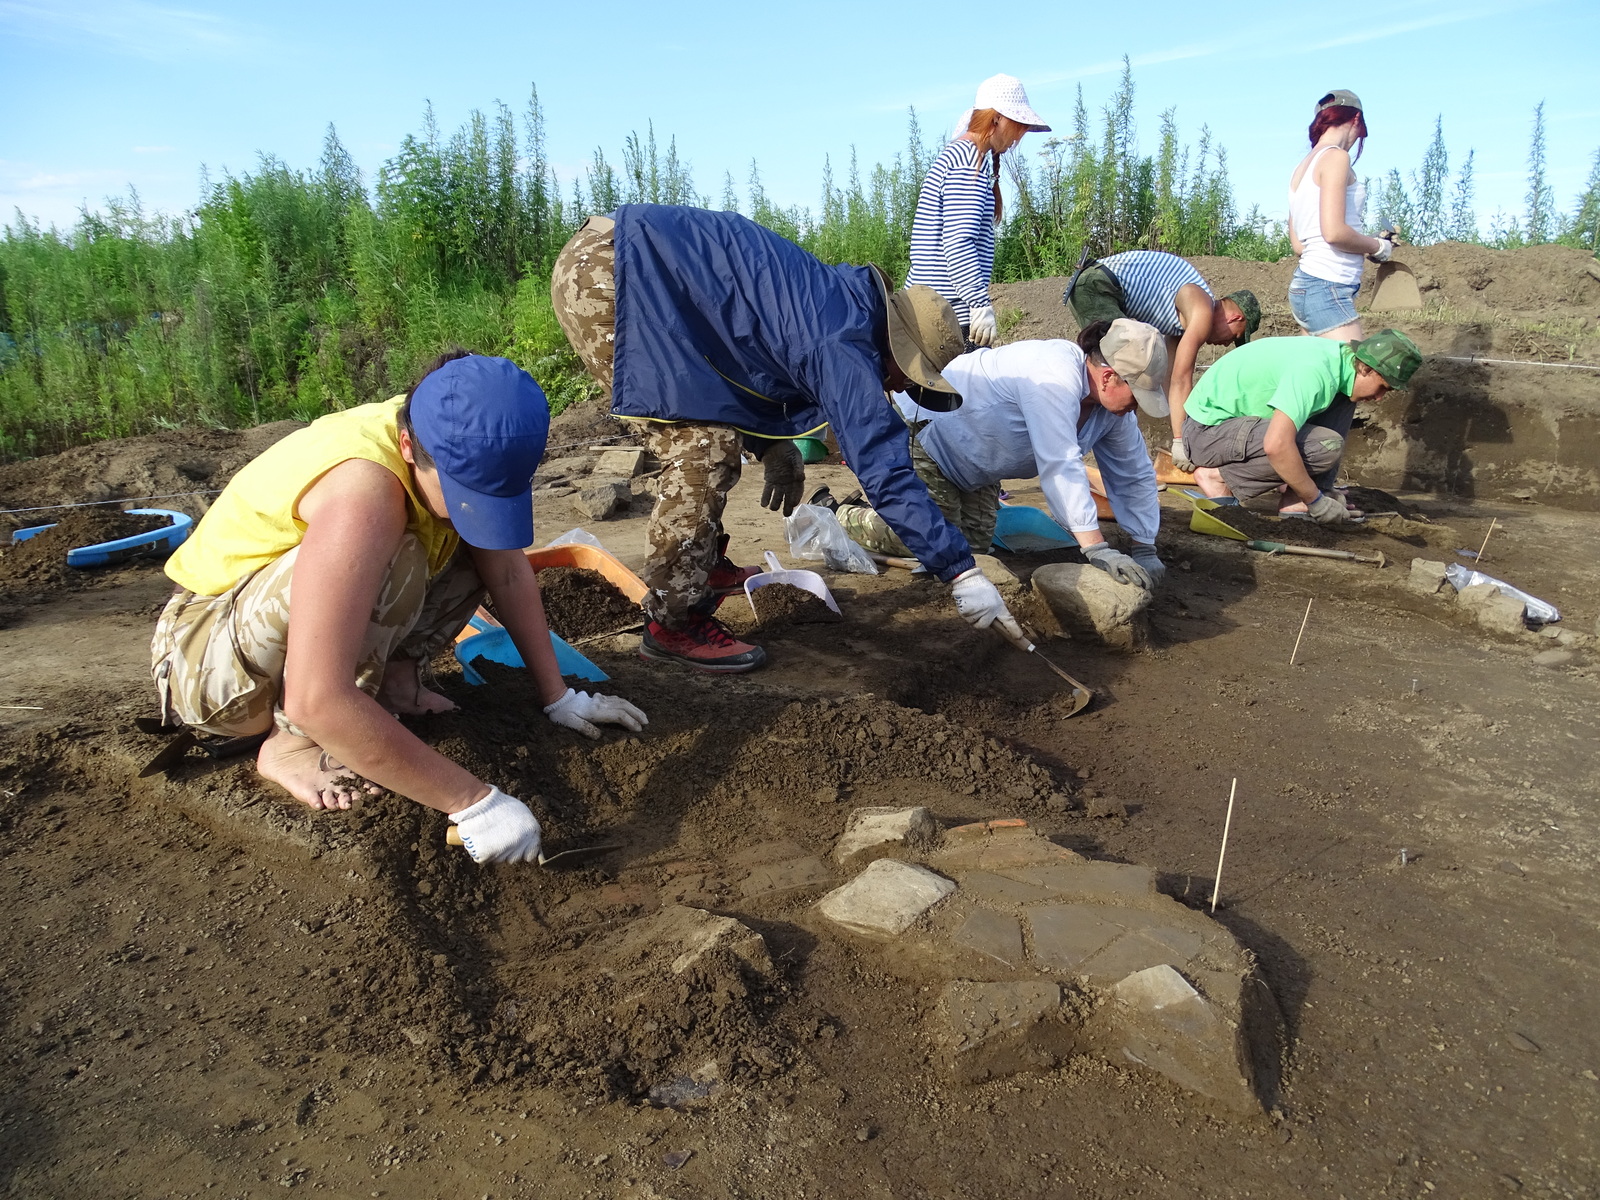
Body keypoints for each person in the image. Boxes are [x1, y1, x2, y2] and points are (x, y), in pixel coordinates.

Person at [149, 352, 649, 864]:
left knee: (465, 537)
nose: (466, 505)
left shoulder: (447, 424)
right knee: (399, 552)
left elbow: (505, 569)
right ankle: (290, 746)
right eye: (460, 491)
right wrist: (473, 803)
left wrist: (558, 697)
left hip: (279, 629)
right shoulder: (362, 492)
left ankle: (397, 683)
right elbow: (316, 698)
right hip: (207, 664)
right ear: (408, 446)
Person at [549, 204, 1025, 673]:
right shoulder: (841, 339)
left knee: (710, 432)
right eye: (910, 374)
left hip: (633, 261)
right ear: (896, 343)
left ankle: (703, 566)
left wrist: (772, 445)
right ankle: (674, 621)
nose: (901, 387)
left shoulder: (840, 305)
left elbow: (744, 355)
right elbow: (885, 473)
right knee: (703, 448)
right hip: (613, 274)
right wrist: (960, 570)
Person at [817, 319, 1171, 592]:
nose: (1137, 409)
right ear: (1109, 377)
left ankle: (893, 513)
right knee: (931, 540)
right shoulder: (1053, 373)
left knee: (969, 550)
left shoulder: (1113, 412)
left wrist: (1144, 546)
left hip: (977, 468)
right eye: (1137, 395)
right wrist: (1097, 549)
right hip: (927, 435)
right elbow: (1060, 463)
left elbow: (1133, 473)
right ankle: (836, 514)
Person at [1181, 329, 1423, 522]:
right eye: (1383, 387)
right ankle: (1219, 478)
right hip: (1208, 434)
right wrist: (1315, 500)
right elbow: (1276, 445)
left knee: (1346, 397)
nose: (1380, 397)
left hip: (1238, 429)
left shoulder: (1341, 363)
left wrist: (1321, 492)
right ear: (1365, 367)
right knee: (1325, 446)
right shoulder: (1314, 372)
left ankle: (1296, 500)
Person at [1063, 249, 1261, 473]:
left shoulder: (1181, 322)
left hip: (1102, 286)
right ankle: (1075, 456)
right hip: (1098, 285)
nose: (1227, 344)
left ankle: (1127, 471)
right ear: (1236, 318)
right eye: (1234, 337)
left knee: (1124, 379)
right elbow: (1182, 379)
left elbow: (1169, 379)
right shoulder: (1202, 310)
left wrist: (1181, 437)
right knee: (1116, 373)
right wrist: (1181, 441)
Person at [906, 74, 1050, 348]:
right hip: (948, 316)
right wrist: (979, 302)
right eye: (1017, 125)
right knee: (960, 391)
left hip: (928, 307)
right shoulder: (970, 160)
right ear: (996, 119)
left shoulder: (958, 154)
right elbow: (959, 242)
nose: (1019, 136)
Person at [1287, 89, 1396, 341]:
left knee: (1319, 377)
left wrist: (1361, 240)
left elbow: (1299, 244)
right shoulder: (1336, 157)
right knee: (1355, 376)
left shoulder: (1301, 168)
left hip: (1306, 286)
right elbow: (1334, 232)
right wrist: (1377, 246)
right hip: (1327, 287)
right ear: (1356, 120)